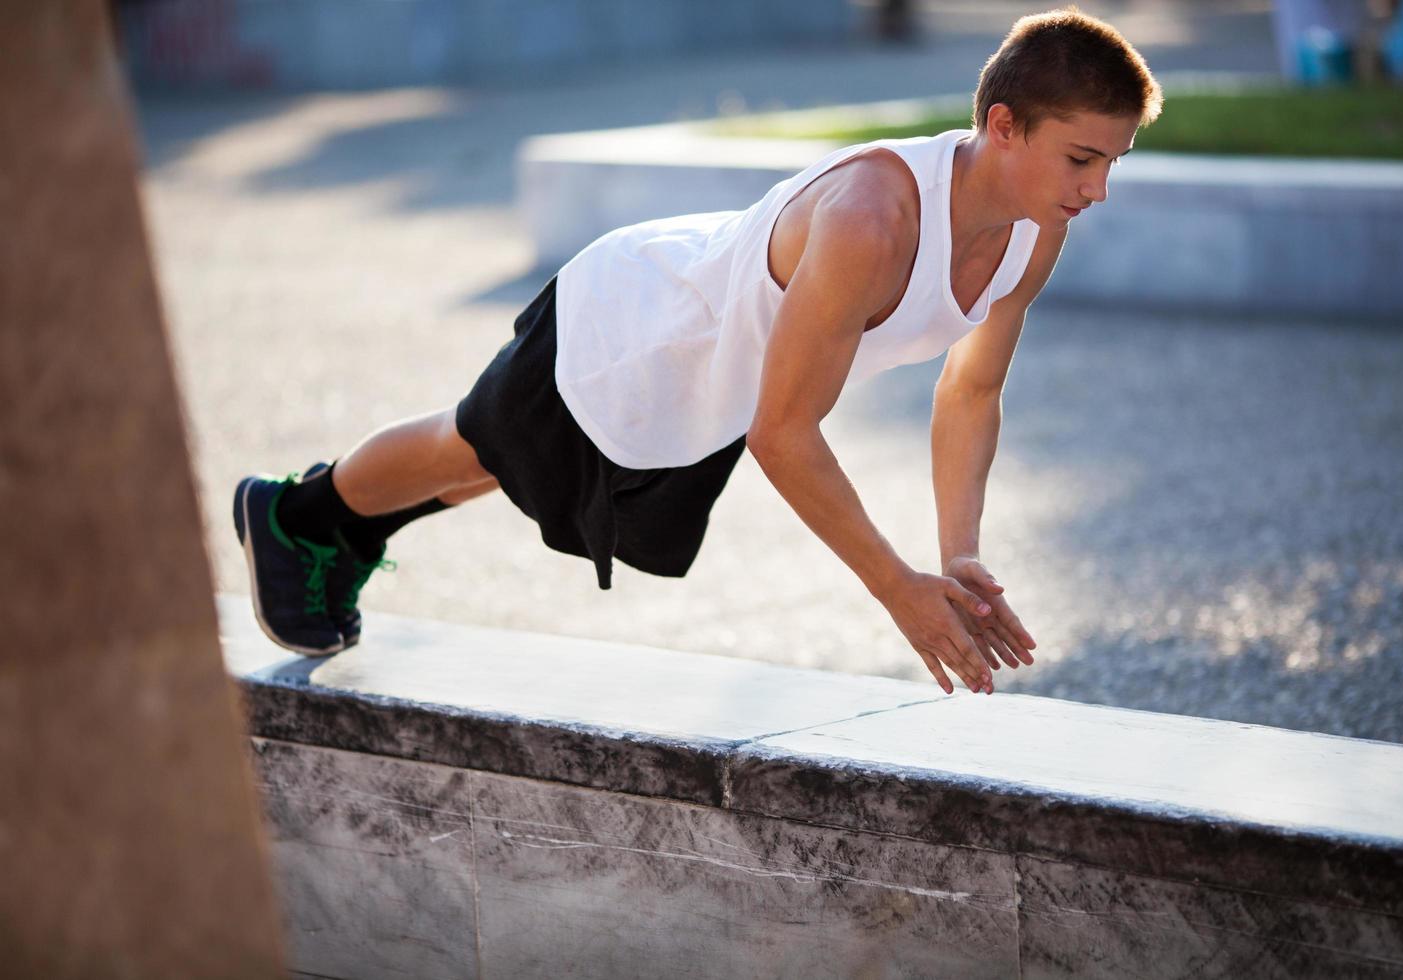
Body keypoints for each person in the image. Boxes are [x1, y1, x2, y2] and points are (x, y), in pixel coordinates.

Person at [233, 7, 1162, 696]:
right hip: (638, 328)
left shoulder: (1037, 228)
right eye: (1083, 159)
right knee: (471, 449)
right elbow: (785, 433)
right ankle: (295, 515)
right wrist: (897, 589)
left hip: (707, 384)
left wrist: (955, 556)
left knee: (499, 474)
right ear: (1004, 124)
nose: (1099, 189)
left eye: (1112, 162)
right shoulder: (873, 221)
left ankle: (338, 530)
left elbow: (971, 390)